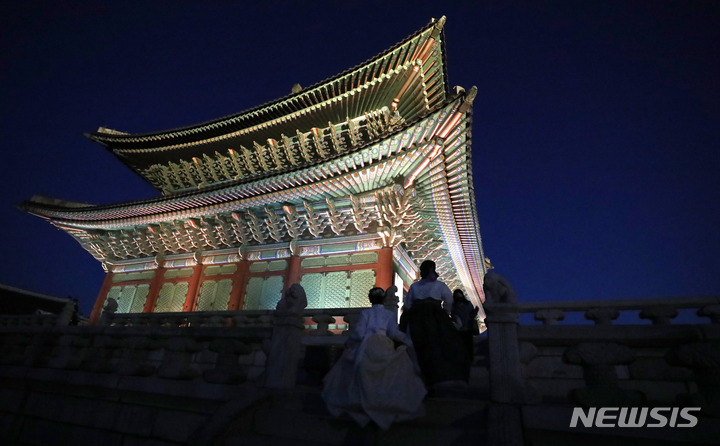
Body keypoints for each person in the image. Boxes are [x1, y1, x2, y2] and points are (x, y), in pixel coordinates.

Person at [321, 287, 426, 430]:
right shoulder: (389, 314)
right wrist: (407, 340)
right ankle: (383, 402)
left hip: (367, 344)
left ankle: (362, 403)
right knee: (386, 373)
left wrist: (350, 342)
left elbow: (359, 333)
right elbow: (394, 332)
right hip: (384, 344)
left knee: (361, 371)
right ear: (383, 299)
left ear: (370, 299)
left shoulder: (366, 313)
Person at [402, 260, 467, 387]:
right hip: (433, 316)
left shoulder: (416, 286)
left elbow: (408, 303)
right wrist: (445, 313)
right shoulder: (439, 286)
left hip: (418, 316)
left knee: (419, 344)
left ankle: (424, 376)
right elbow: (448, 300)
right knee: (436, 344)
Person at [451, 289, 479, 379]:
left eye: (459, 294)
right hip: (460, 328)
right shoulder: (454, 306)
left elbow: (471, 314)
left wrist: (475, 311)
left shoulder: (468, 304)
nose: (459, 296)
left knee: (469, 344)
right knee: (461, 345)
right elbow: (453, 315)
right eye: (457, 294)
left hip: (468, 327)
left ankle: (470, 360)